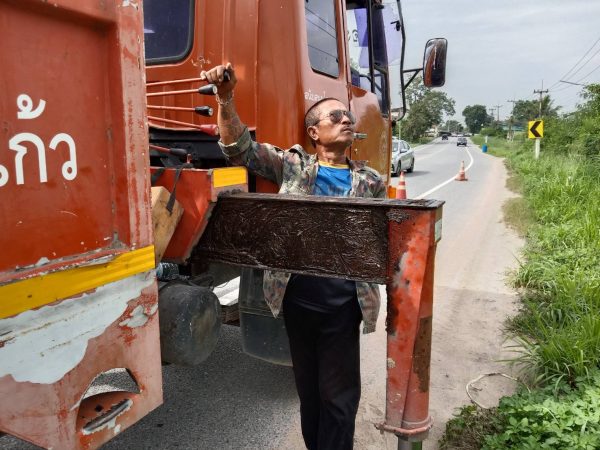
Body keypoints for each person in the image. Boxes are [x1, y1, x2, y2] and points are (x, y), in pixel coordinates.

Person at [201, 63, 385, 450]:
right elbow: (238, 148)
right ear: (314, 133)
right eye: (335, 116)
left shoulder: (370, 181)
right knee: (310, 394)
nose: (346, 120)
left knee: (339, 398)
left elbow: (382, 240)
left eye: (348, 116)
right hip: (297, 297)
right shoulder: (292, 166)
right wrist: (225, 98)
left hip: (345, 300)